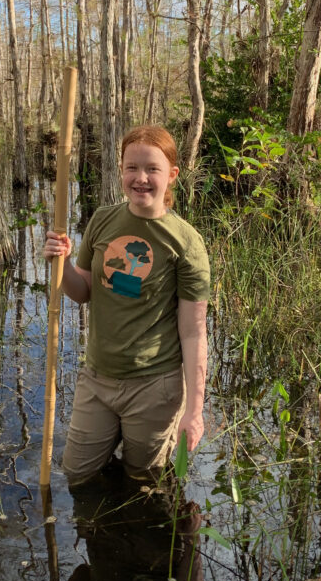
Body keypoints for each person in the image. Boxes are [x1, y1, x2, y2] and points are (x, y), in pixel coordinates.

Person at [43, 125, 210, 486]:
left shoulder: (186, 243)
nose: (141, 178)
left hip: (155, 386)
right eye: (132, 167)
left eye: (152, 169)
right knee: (77, 475)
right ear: (121, 170)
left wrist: (194, 412)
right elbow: (82, 290)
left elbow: (194, 333)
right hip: (97, 378)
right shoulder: (103, 219)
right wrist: (63, 265)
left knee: (142, 482)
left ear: (172, 176)